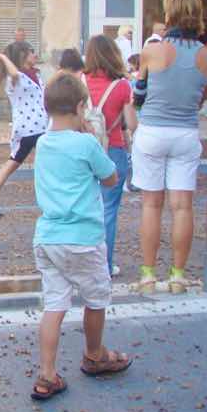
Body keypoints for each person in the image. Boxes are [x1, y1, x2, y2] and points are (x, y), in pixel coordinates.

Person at [30, 72, 131, 401]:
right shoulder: (86, 143)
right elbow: (111, 178)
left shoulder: (43, 143)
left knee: (54, 304)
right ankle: (94, 354)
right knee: (95, 298)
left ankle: (46, 374)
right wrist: (91, 138)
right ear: (80, 106)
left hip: (48, 237)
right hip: (83, 238)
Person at [133, 0, 207, 294]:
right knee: (182, 207)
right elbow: (202, 96)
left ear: (170, 15)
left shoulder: (153, 50)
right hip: (186, 132)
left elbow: (138, 96)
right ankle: (178, 275)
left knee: (151, 205)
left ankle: (148, 274)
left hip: (152, 130)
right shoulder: (205, 55)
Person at [82, 35, 138, 276]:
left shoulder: (79, 81)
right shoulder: (123, 85)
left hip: (83, 150)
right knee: (108, 210)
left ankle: (81, 262)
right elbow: (132, 123)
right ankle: (103, 264)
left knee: (83, 207)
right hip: (113, 148)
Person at [0, 45, 47, 218]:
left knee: (13, 163)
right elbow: (15, 74)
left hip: (39, 126)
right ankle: (51, 202)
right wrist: (2, 57)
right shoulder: (14, 78)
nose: (35, 54)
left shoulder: (35, 73)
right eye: (32, 52)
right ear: (23, 55)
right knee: (35, 163)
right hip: (29, 128)